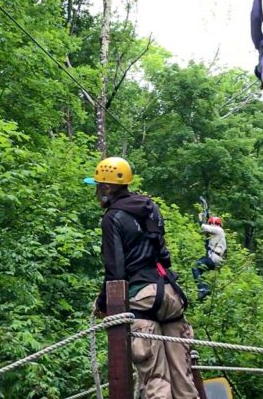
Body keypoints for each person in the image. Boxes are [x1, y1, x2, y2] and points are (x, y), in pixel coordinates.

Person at [85, 157, 199, 399]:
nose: (96, 192)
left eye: (98, 186)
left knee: (156, 381)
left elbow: (116, 272)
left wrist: (103, 304)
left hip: (143, 297)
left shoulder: (112, 218)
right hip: (169, 292)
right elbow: (163, 254)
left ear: (107, 188)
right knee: (183, 380)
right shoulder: (150, 208)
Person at [191, 216, 226, 301]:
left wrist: (201, 220)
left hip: (214, 258)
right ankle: (205, 290)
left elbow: (203, 227)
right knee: (200, 270)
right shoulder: (217, 233)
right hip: (216, 258)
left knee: (195, 267)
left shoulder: (218, 230)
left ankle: (203, 289)